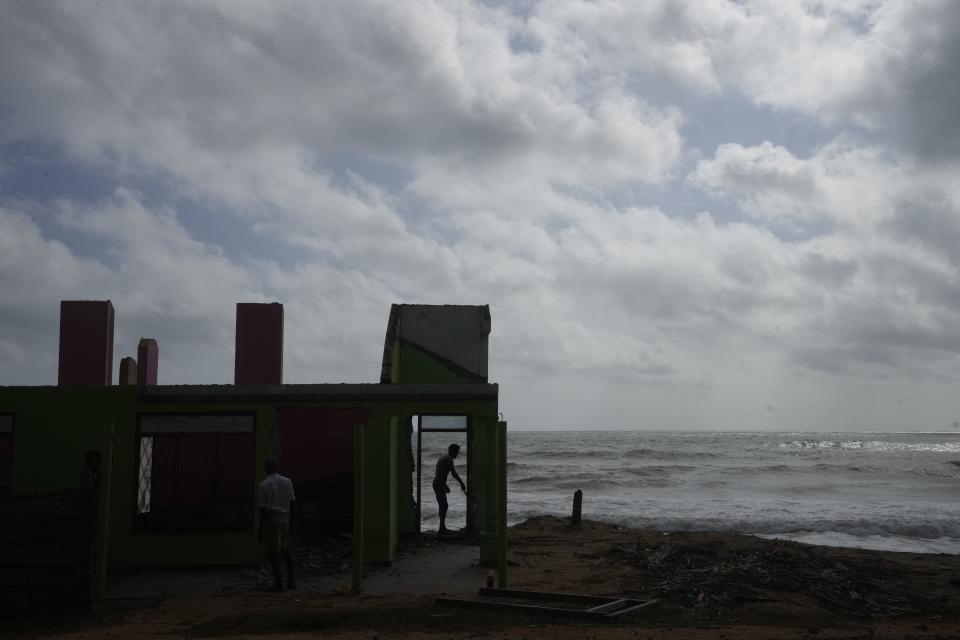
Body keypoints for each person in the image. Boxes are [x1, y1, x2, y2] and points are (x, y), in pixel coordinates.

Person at [258, 457, 296, 591]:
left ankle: (278, 583)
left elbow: (263, 509)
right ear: (277, 467)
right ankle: (291, 581)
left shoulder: (263, 485)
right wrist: (292, 521)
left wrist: (260, 529)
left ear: (266, 468)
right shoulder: (287, 481)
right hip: (286, 519)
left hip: (272, 520)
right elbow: (292, 502)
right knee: (287, 551)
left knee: (274, 553)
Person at [433, 443, 465, 534]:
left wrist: (444, 484)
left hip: (438, 483)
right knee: (444, 505)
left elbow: (439, 473)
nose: (458, 454)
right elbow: (453, 473)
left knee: (443, 505)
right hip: (439, 484)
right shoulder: (449, 459)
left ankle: (442, 527)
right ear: (452, 451)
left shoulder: (445, 458)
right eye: (457, 452)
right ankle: (441, 528)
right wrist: (461, 483)